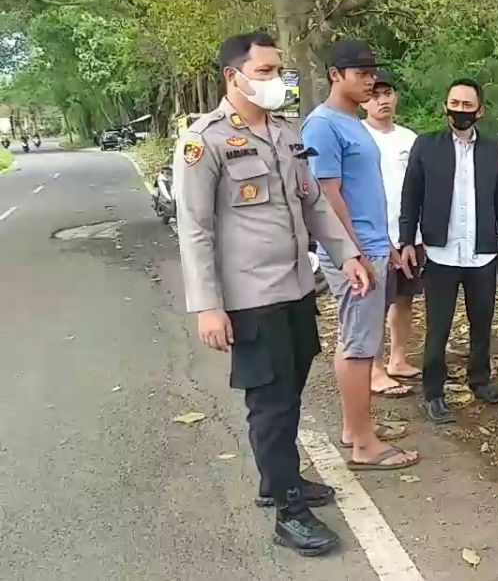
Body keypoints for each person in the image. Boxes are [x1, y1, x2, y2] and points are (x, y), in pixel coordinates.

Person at [174, 31, 373, 556]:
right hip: (249, 298)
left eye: (277, 72)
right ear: (232, 76)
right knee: (272, 402)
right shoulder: (206, 140)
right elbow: (193, 228)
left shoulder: (286, 134)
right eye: (263, 72)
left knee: (293, 385)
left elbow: (314, 205)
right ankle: (288, 510)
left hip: (295, 288)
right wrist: (208, 305)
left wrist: (348, 254)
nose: (275, 81)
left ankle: (277, 479)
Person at [302, 39, 420, 470]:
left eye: (373, 73)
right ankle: (365, 446)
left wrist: (384, 244)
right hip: (353, 253)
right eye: (361, 73)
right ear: (336, 75)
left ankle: (356, 428)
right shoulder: (323, 126)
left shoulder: (353, 122)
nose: (371, 80)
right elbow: (327, 195)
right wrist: (354, 252)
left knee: (357, 341)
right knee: (358, 346)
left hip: (370, 245)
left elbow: (365, 193)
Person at [397, 78, 498, 425]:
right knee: (439, 327)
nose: (460, 111)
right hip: (440, 253)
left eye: (468, 105)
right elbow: (411, 196)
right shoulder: (427, 146)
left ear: (479, 110)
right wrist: (407, 240)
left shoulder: (491, 152)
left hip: (481, 254)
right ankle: (434, 392)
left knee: (482, 321)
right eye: (455, 103)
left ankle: (479, 380)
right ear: (445, 106)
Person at [361, 69, 423, 384]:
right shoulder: (358, 137)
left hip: (409, 234)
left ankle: (399, 359)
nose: (382, 100)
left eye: (387, 94)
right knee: (373, 303)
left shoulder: (409, 138)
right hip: (372, 237)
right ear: (364, 101)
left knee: (404, 298)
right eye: (374, 95)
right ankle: (373, 367)